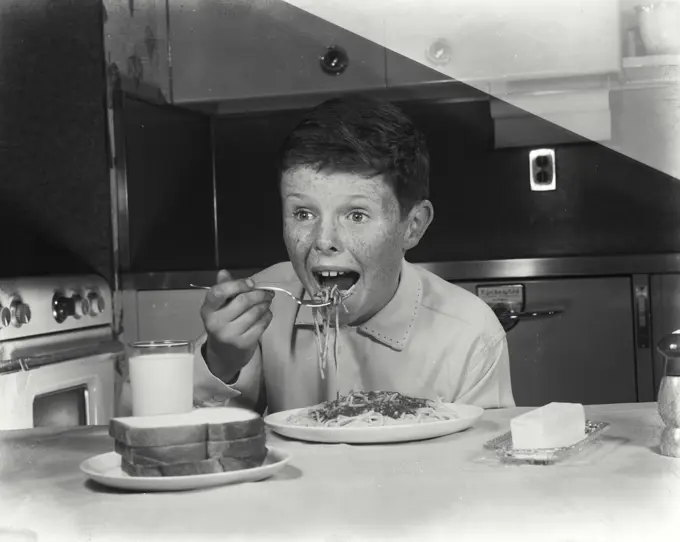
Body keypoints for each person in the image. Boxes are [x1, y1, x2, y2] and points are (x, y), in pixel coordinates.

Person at [192, 95, 515, 414]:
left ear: (412, 226)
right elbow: (199, 437)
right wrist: (221, 360)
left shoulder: (470, 335)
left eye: (356, 215)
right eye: (303, 214)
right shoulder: (263, 307)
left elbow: (484, 458)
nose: (324, 241)